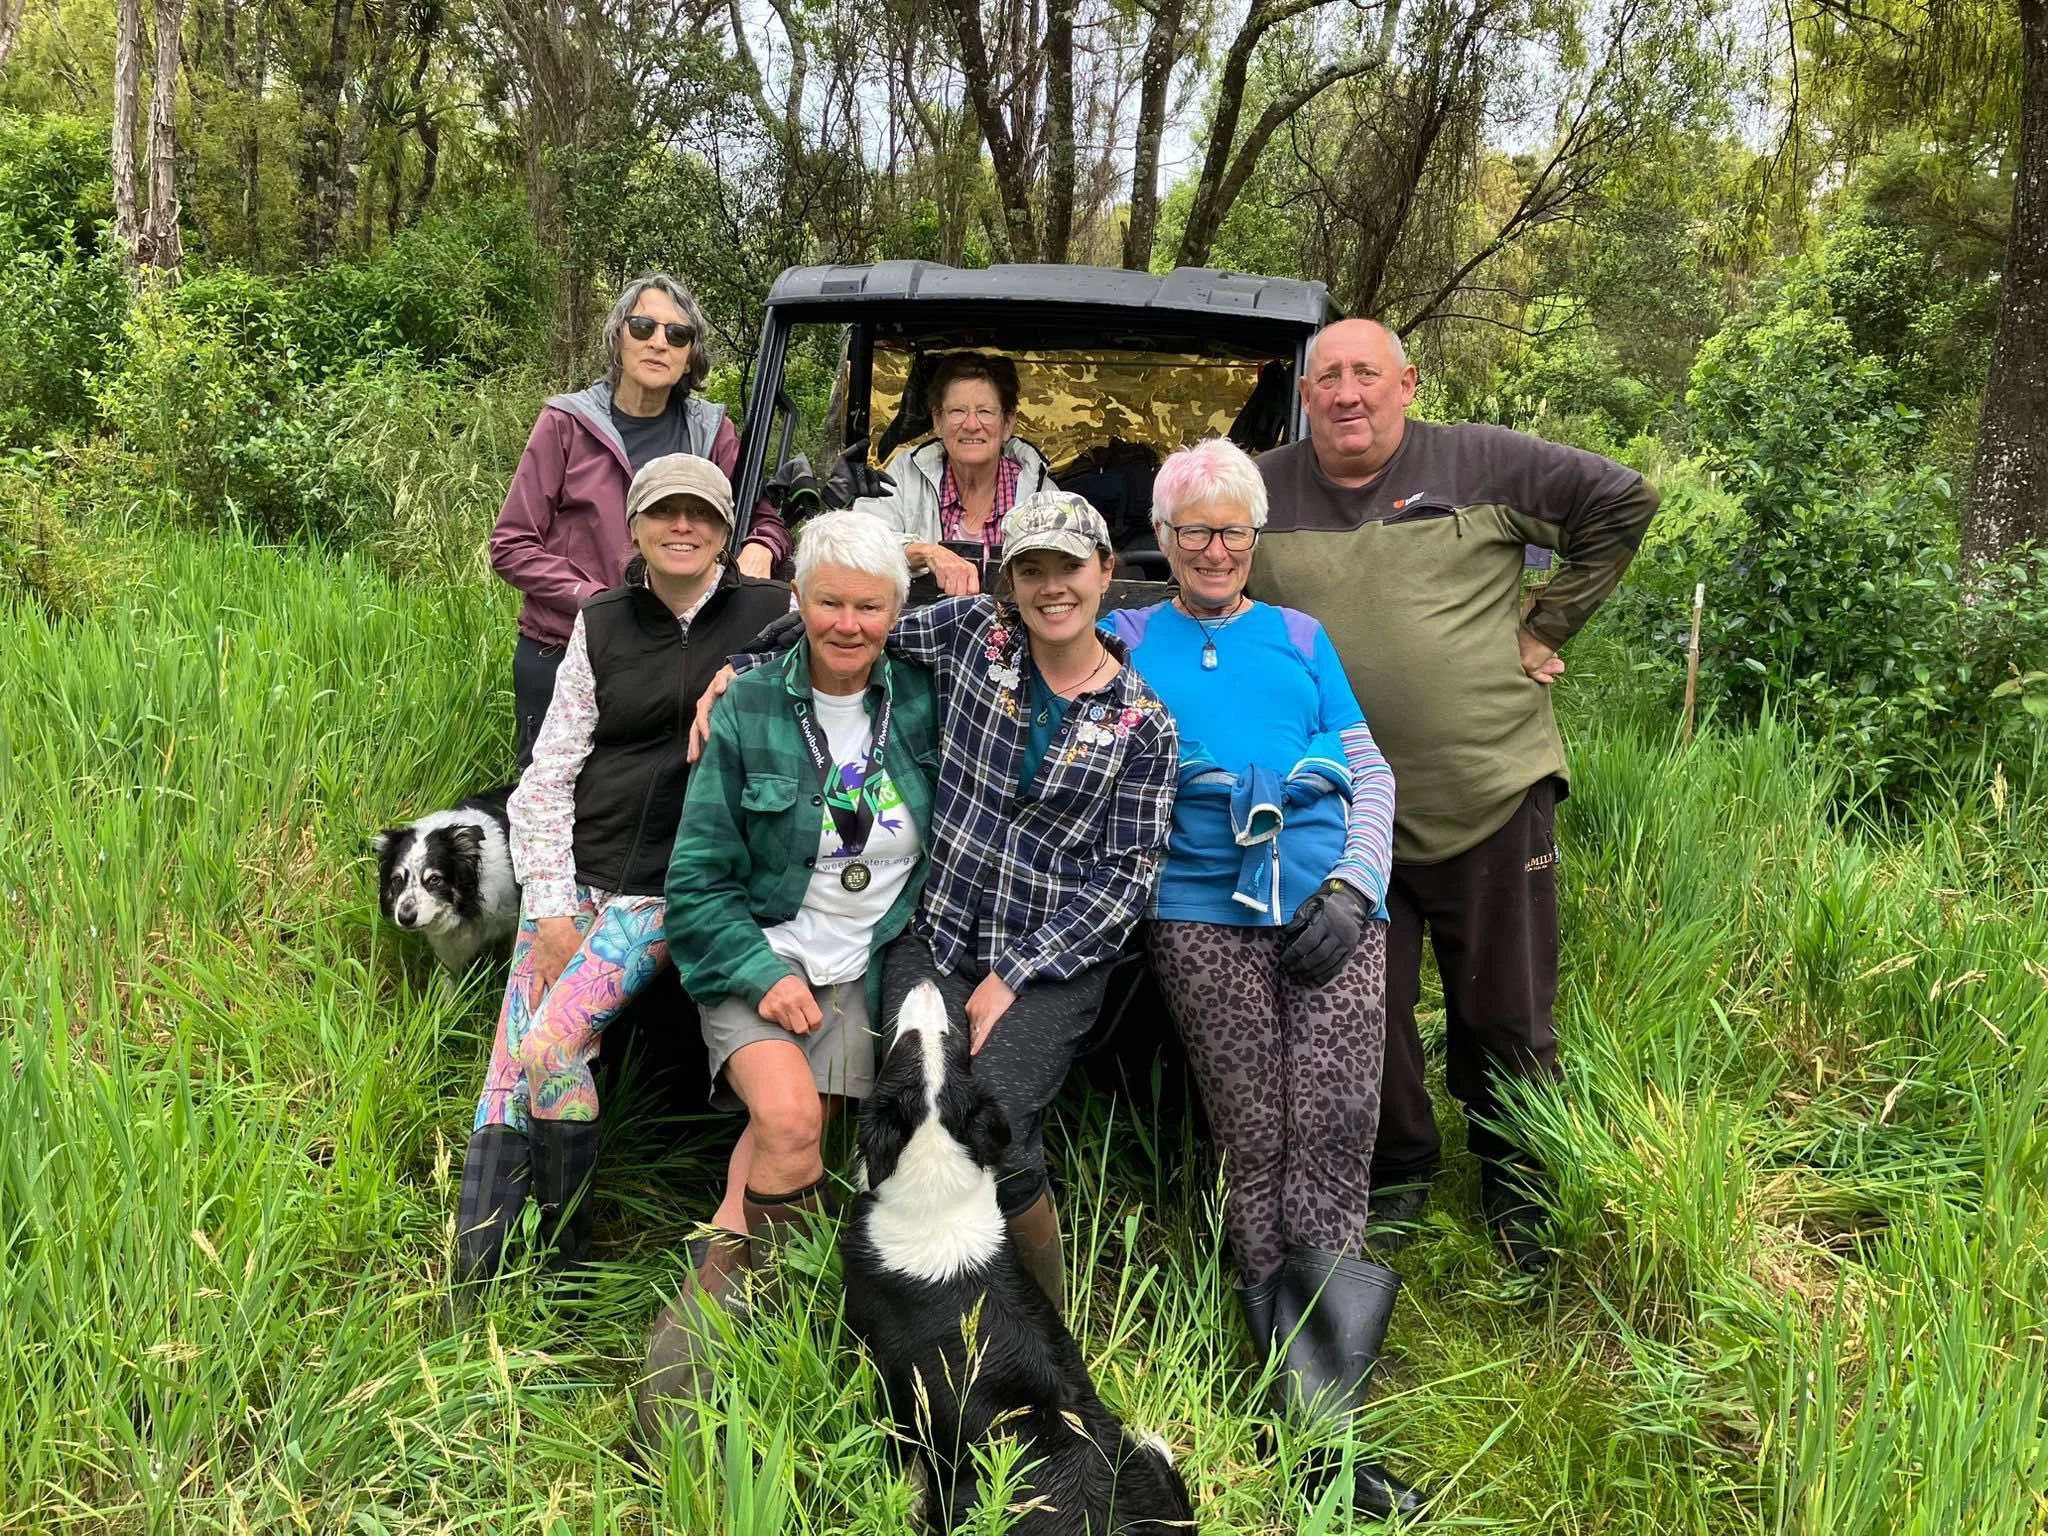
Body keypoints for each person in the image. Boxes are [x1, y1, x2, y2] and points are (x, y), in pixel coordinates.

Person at [690, 491, 1178, 1311]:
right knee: (911, 1104)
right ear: (1008, 583)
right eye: (1030, 570)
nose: (1051, 587)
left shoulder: (1143, 724)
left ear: (1105, 572)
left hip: (1049, 959)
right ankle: (905, 1296)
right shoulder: (973, 637)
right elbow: (851, 626)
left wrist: (1016, 973)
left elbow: (1126, 880)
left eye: (1068, 567)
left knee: (996, 1118)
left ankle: (1034, 1313)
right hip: (937, 933)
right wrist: (740, 668)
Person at [1249, 317, 1660, 1276]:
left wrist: (1549, 621)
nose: (1347, 393)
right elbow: (1192, 560)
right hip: (1345, 812)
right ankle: (1397, 1173)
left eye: (1367, 373)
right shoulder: (1262, 491)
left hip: (1490, 788)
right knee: (1368, 1011)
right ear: (1304, 395)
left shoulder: (1481, 461)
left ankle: (1520, 1179)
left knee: (1505, 1010)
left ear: (1407, 384)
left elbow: (1623, 499)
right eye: (1327, 377)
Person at [1101, 437, 1418, 1517]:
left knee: (1336, 1125)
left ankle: (1327, 1420)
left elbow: (1367, 765)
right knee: (1256, 1138)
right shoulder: (1123, 637)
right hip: (1199, 911)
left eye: (1232, 530)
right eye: (1193, 531)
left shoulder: (1299, 635)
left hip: (1331, 900)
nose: (1214, 549)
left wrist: (1356, 883)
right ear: (1163, 538)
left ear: (1253, 536)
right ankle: (1298, 1399)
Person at [455, 454, 792, 1288]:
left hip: (669, 884)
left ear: (726, 532)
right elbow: (547, 775)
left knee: (552, 1047)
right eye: (665, 512)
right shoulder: (601, 621)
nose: (683, 527)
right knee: (506, 1071)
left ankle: (563, 1263)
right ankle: (479, 1274)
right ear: (634, 527)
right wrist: (551, 906)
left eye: (702, 514)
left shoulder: (769, 611)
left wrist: (744, 667)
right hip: (576, 868)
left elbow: (842, 629)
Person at [636, 512, 940, 1433]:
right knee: (789, 1120)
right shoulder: (749, 706)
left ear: (896, 612)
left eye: (870, 607)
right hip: (762, 951)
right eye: (829, 603)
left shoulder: (924, 700)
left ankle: (737, 1321)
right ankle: (709, 1354)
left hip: (866, 962)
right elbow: (696, 881)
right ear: (797, 601)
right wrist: (759, 971)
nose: (848, 624)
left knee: (783, 1156)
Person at [491, 274, 792, 768]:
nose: (658, 342)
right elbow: (512, 545)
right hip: (564, 647)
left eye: (677, 334)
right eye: (643, 326)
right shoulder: (566, 424)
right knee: (553, 791)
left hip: (675, 654)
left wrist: (761, 544)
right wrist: (601, 603)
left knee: (659, 792)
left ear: (690, 356)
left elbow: (763, 518)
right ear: (618, 337)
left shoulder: (712, 432)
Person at [851, 352, 1053, 598]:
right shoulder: (906, 473)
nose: (971, 425)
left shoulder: (1039, 491)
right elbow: (861, 544)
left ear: (1007, 423)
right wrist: (926, 553)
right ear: (938, 421)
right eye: (958, 411)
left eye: (985, 412)